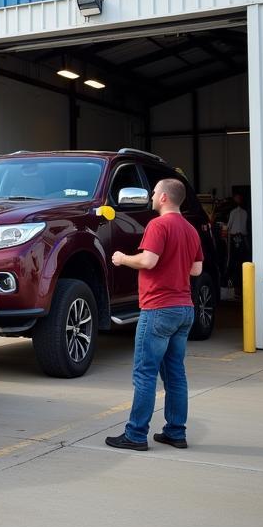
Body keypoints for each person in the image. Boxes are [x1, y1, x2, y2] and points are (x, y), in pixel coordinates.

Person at [105, 178, 204, 452]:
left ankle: (135, 435)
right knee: (175, 374)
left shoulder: (158, 225)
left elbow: (148, 261)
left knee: (145, 374)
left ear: (163, 198)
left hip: (158, 309)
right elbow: (196, 270)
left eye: (154, 192)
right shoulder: (190, 229)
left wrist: (123, 258)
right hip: (184, 308)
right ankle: (175, 432)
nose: (151, 195)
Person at [225, 192, 250, 296]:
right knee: (242, 261)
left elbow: (228, 226)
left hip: (236, 238)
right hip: (241, 238)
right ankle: (239, 287)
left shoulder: (235, 212)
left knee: (234, 261)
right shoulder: (243, 212)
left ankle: (236, 287)